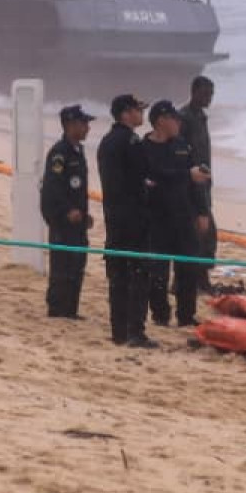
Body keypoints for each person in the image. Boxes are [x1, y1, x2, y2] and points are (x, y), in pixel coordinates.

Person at [138, 99, 212, 327]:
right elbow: (157, 175)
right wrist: (187, 175)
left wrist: (202, 211)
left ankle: (186, 315)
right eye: (174, 118)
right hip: (157, 217)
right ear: (161, 121)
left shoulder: (181, 144)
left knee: (188, 267)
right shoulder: (144, 148)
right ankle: (161, 314)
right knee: (157, 271)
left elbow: (195, 182)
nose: (179, 122)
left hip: (183, 215)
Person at [97, 93, 157, 347]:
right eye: (136, 110)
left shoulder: (108, 140)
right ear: (125, 114)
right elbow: (142, 174)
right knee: (137, 274)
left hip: (114, 215)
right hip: (132, 217)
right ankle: (134, 331)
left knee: (119, 275)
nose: (141, 114)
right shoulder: (130, 141)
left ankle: (119, 331)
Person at [40, 105, 95, 319]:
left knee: (77, 264)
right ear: (71, 125)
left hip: (78, 221)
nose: (88, 128)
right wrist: (66, 211)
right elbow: (53, 188)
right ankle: (57, 310)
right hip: (63, 221)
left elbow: (77, 189)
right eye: (84, 124)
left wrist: (83, 213)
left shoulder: (78, 151)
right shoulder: (59, 153)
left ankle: (71, 310)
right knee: (62, 265)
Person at [180, 75, 219, 292]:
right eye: (205, 93)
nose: (209, 98)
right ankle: (193, 281)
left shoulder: (201, 117)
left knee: (204, 235)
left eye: (211, 94)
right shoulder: (184, 117)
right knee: (201, 232)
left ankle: (200, 279)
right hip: (191, 184)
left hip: (204, 183)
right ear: (194, 91)